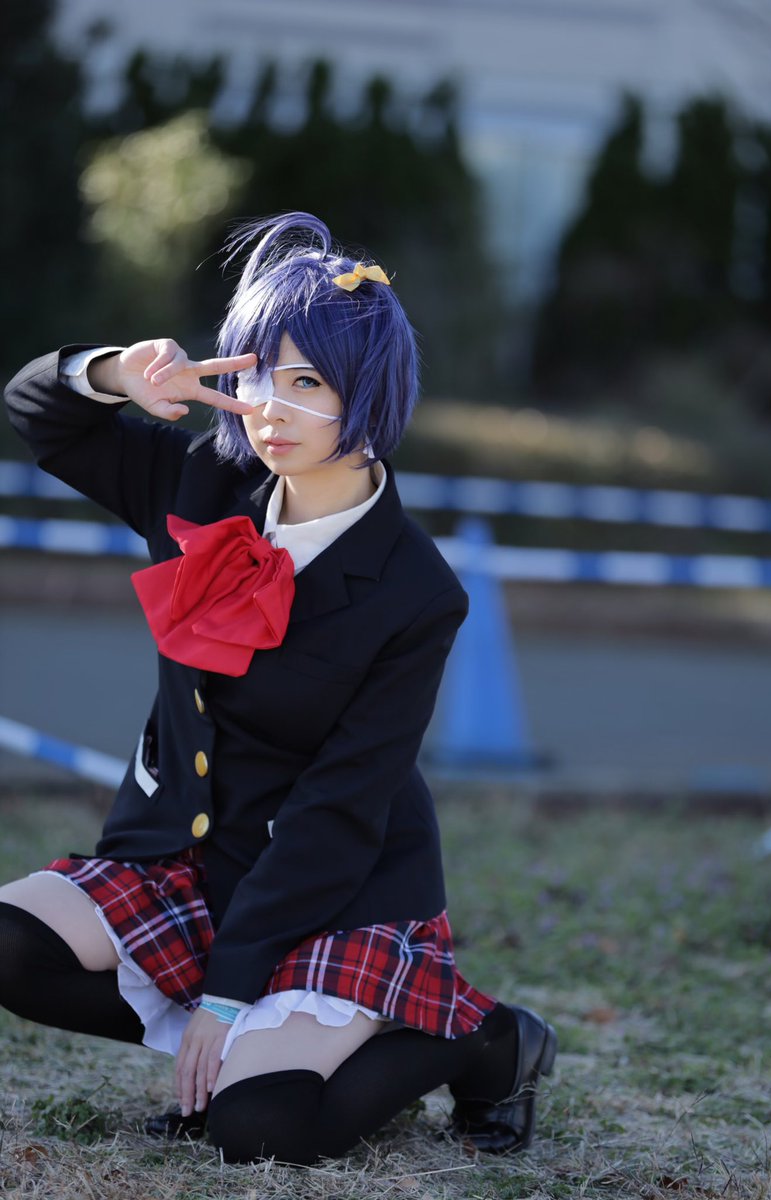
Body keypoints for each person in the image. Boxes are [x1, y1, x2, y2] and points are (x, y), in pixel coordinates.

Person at [0, 212, 556, 1166]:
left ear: (369, 394)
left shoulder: (418, 592)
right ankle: (243, 1043)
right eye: (256, 376)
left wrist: (228, 992)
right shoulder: (203, 482)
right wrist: (117, 373)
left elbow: (340, 806)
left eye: (307, 384)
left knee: (258, 1130)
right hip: (187, 862)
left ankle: (485, 1040)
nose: (269, 410)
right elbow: (35, 412)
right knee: (10, 944)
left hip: (337, 889)